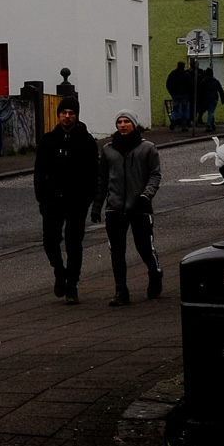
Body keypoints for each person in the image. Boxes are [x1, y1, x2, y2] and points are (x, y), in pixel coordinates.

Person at [33, 103, 100, 303]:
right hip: (52, 201)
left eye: (71, 113)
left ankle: (72, 285)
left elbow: (93, 173)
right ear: (58, 115)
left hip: (77, 201)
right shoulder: (48, 140)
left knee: (74, 243)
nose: (67, 116)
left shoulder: (86, 141)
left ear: (76, 116)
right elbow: (39, 172)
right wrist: (42, 198)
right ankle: (59, 271)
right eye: (64, 113)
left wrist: (88, 198)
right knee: (50, 240)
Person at [94, 112, 163, 306]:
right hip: (115, 207)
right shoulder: (108, 150)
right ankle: (121, 290)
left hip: (139, 207)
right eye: (119, 122)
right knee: (117, 251)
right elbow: (102, 179)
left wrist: (146, 195)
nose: (122, 125)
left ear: (134, 124)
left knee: (144, 247)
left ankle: (155, 273)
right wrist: (97, 206)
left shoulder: (147, 148)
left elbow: (155, 175)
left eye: (126, 122)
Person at [165, 63, 193, 131]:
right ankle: (184, 126)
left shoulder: (173, 74)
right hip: (184, 95)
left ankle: (173, 120)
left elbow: (168, 84)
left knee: (175, 109)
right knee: (184, 110)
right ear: (183, 66)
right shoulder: (186, 75)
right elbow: (190, 85)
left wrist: (172, 93)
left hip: (175, 94)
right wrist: (189, 94)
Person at [195, 69, 224, 133]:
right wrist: (223, 99)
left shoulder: (203, 81)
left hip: (205, 99)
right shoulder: (216, 81)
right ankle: (209, 125)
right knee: (211, 112)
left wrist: (199, 99)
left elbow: (199, 91)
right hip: (214, 98)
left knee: (210, 111)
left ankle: (212, 124)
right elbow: (220, 90)